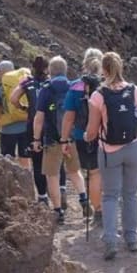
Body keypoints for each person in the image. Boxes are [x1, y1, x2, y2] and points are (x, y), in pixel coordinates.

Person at [84, 51, 137, 260]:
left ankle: (111, 241)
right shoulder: (135, 91)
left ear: (103, 70)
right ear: (120, 67)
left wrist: (87, 137)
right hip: (133, 148)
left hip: (109, 151)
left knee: (111, 195)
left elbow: (93, 131)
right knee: (130, 194)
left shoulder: (98, 96)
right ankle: (131, 239)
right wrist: (135, 135)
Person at [31, 56, 87, 224]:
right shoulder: (74, 86)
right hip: (71, 137)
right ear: (65, 69)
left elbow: (39, 118)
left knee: (52, 175)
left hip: (52, 139)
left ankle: (58, 211)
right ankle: (84, 199)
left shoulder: (46, 89)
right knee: (74, 172)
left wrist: (35, 139)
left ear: (49, 70)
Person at [12, 56, 64, 206]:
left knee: (37, 161)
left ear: (32, 67)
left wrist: (24, 108)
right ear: (47, 68)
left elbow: (13, 98)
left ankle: (42, 196)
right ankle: (61, 189)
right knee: (57, 160)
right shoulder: (52, 83)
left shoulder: (27, 82)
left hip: (33, 124)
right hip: (53, 125)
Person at [61, 48, 104, 224]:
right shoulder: (108, 83)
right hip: (109, 136)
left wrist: (64, 139)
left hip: (83, 136)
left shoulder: (76, 86)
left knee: (93, 173)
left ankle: (99, 212)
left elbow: (69, 116)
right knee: (109, 173)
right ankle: (113, 209)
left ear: (85, 64)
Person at [0, 60, 32, 170]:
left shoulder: (0, 88)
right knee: (25, 159)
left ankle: (11, 184)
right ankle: (28, 183)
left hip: (8, 130)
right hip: (27, 127)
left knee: (7, 161)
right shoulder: (25, 83)